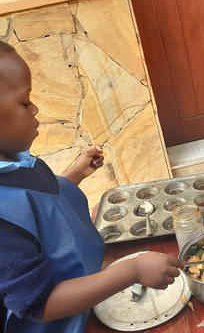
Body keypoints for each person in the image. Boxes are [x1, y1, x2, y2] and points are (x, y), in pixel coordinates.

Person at [0, 40, 183, 333]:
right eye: (24, 102)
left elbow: (42, 206)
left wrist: (74, 175)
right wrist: (132, 271)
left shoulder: (15, 161)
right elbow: (39, 303)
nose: (35, 108)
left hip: (89, 298)